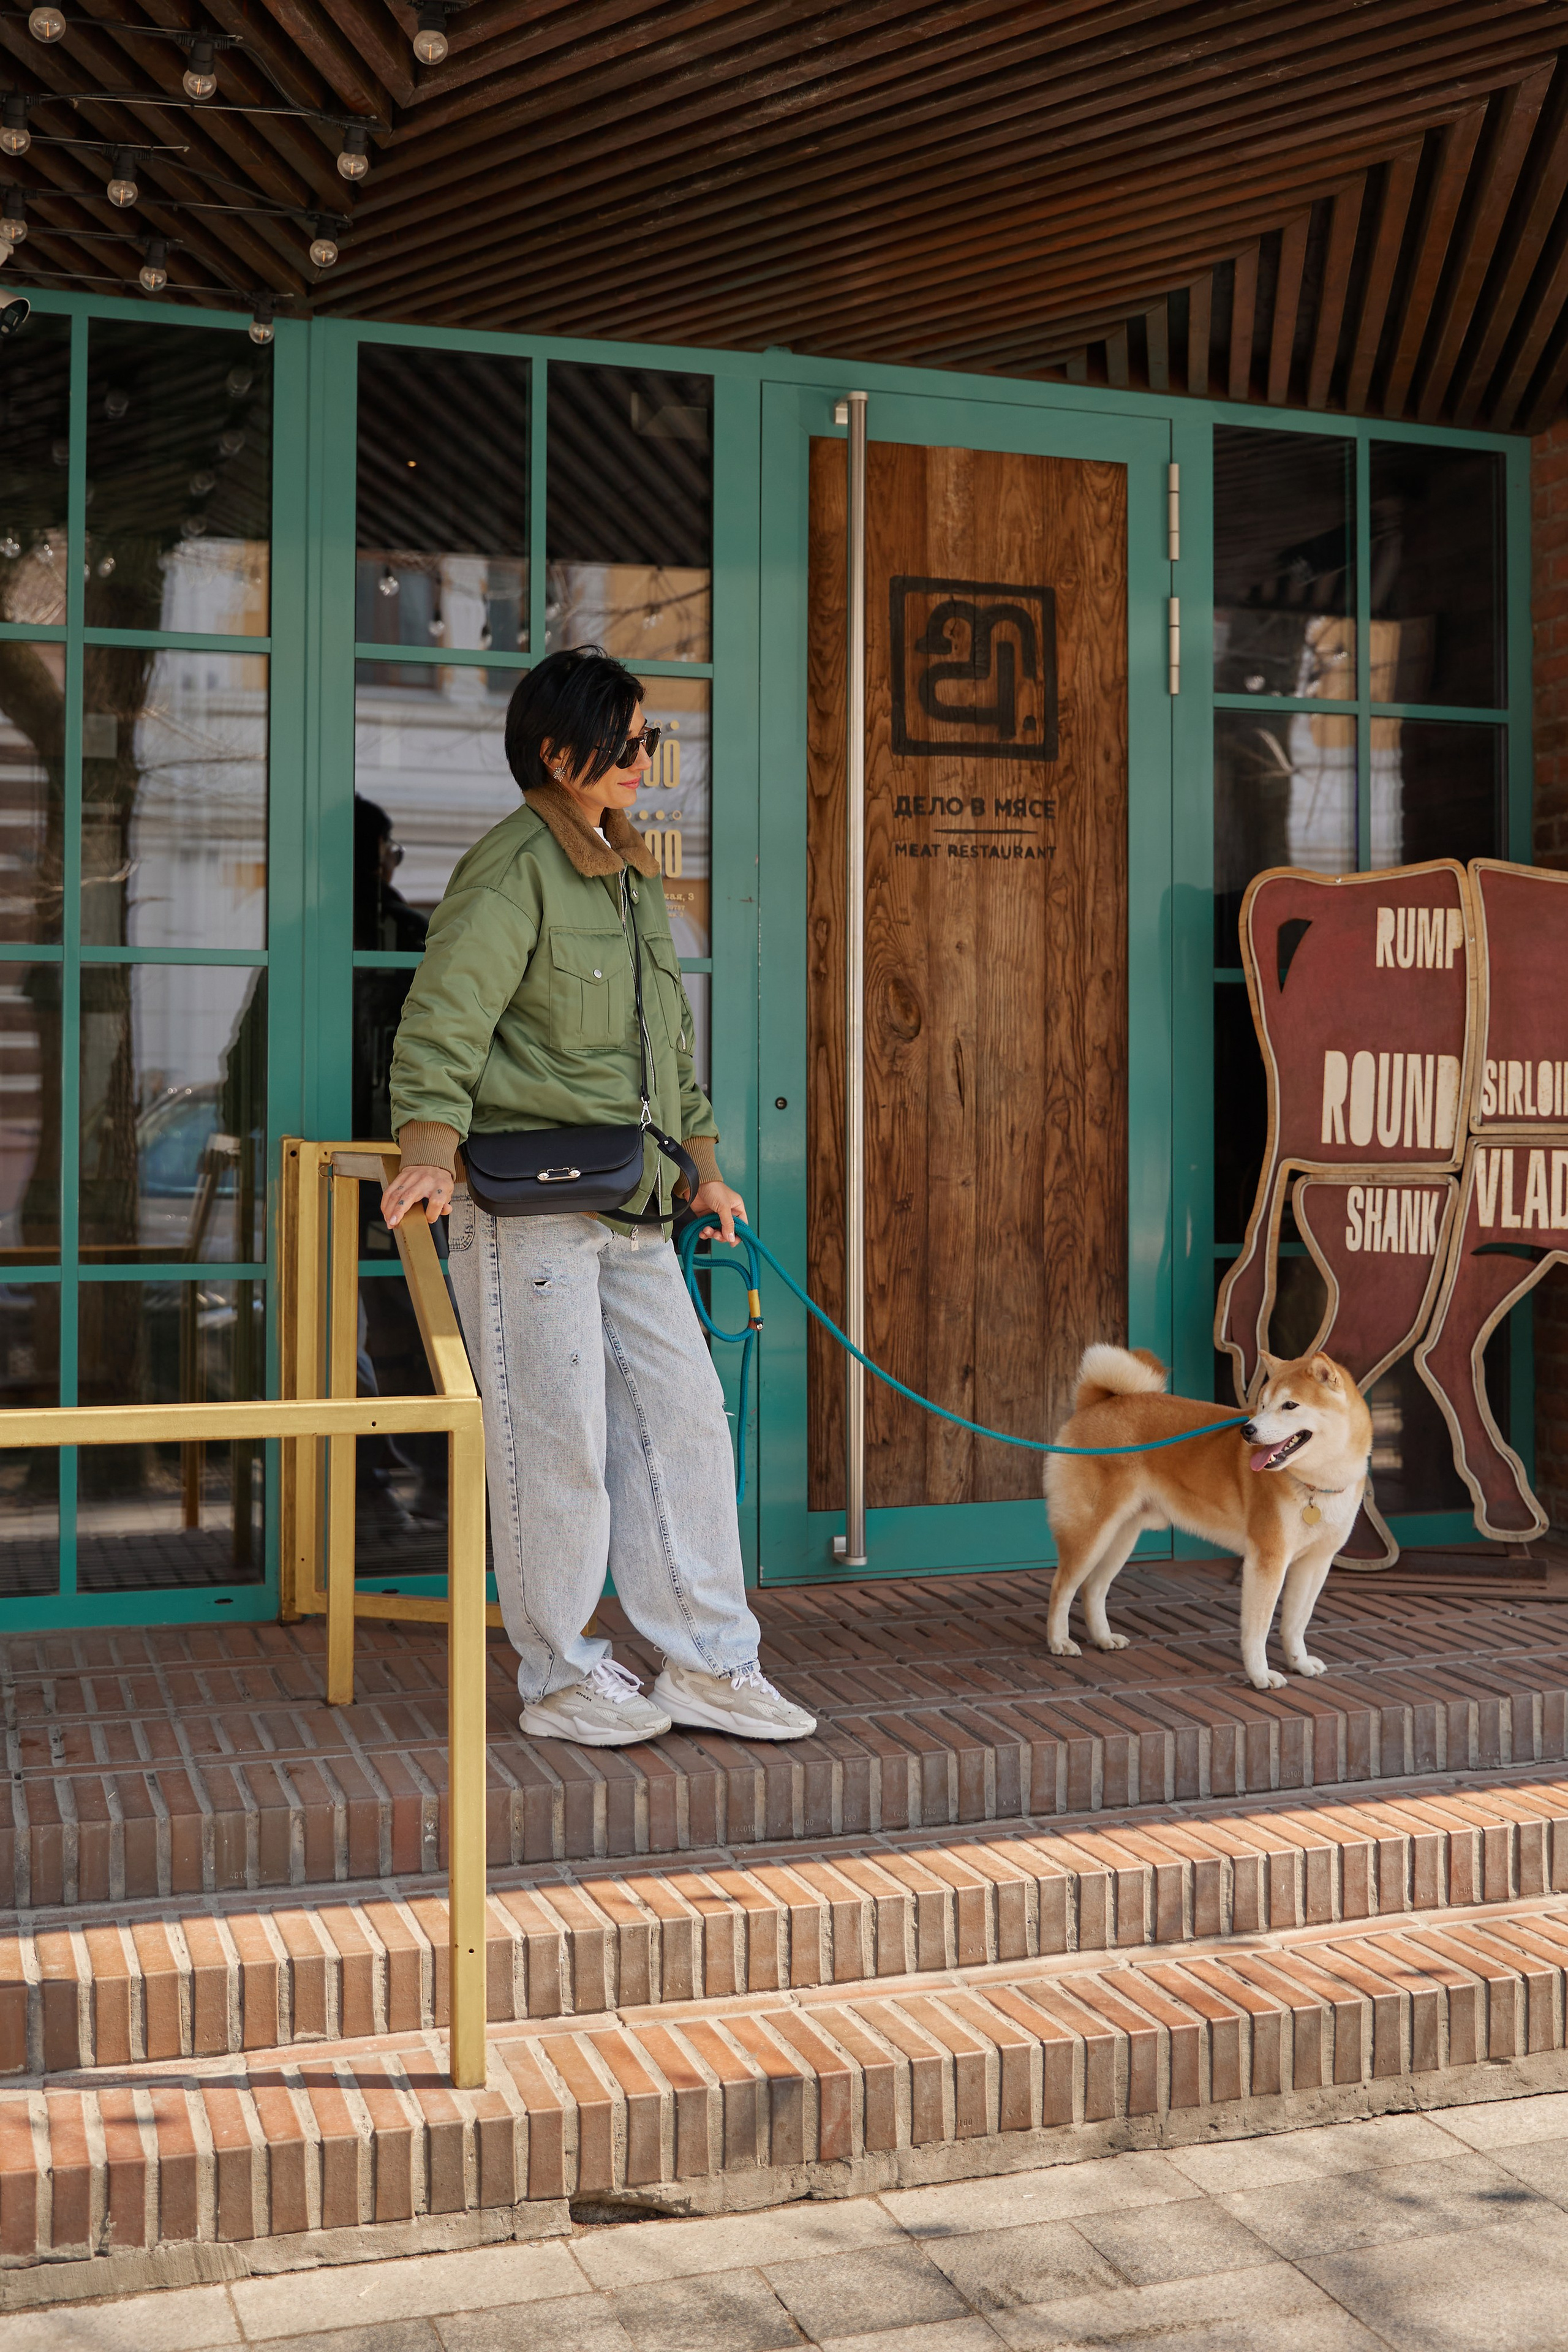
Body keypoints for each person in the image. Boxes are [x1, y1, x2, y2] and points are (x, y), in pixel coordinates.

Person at [381, 646, 815, 1749]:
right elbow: (443, 1018)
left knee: (685, 1428)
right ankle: (564, 1675)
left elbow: (669, 1043)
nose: (642, 759)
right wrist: (428, 1146)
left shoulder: (630, 872)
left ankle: (711, 1663)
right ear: (557, 752)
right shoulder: (509, 866)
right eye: (623, 743)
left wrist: (707, 1169)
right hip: (524, 1207)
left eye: (647, 740)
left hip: (634, 1202)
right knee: (554, 1441)